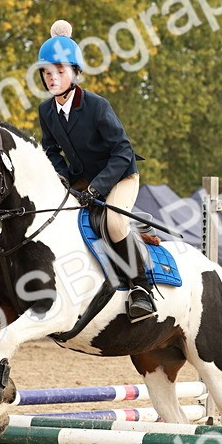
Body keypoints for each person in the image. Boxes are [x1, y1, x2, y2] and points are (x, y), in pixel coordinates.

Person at [37, 19, 155, 321]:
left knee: (114, 225)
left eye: (60, 71)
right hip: (84, 176)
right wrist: (64, 179)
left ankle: (141, 289)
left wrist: (95, 188)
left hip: (119, 173)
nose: (53, 78)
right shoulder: (46, 111)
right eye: (48, 72)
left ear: (75, 74)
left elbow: (122, 151)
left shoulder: (97, 106)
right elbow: (50, 150)